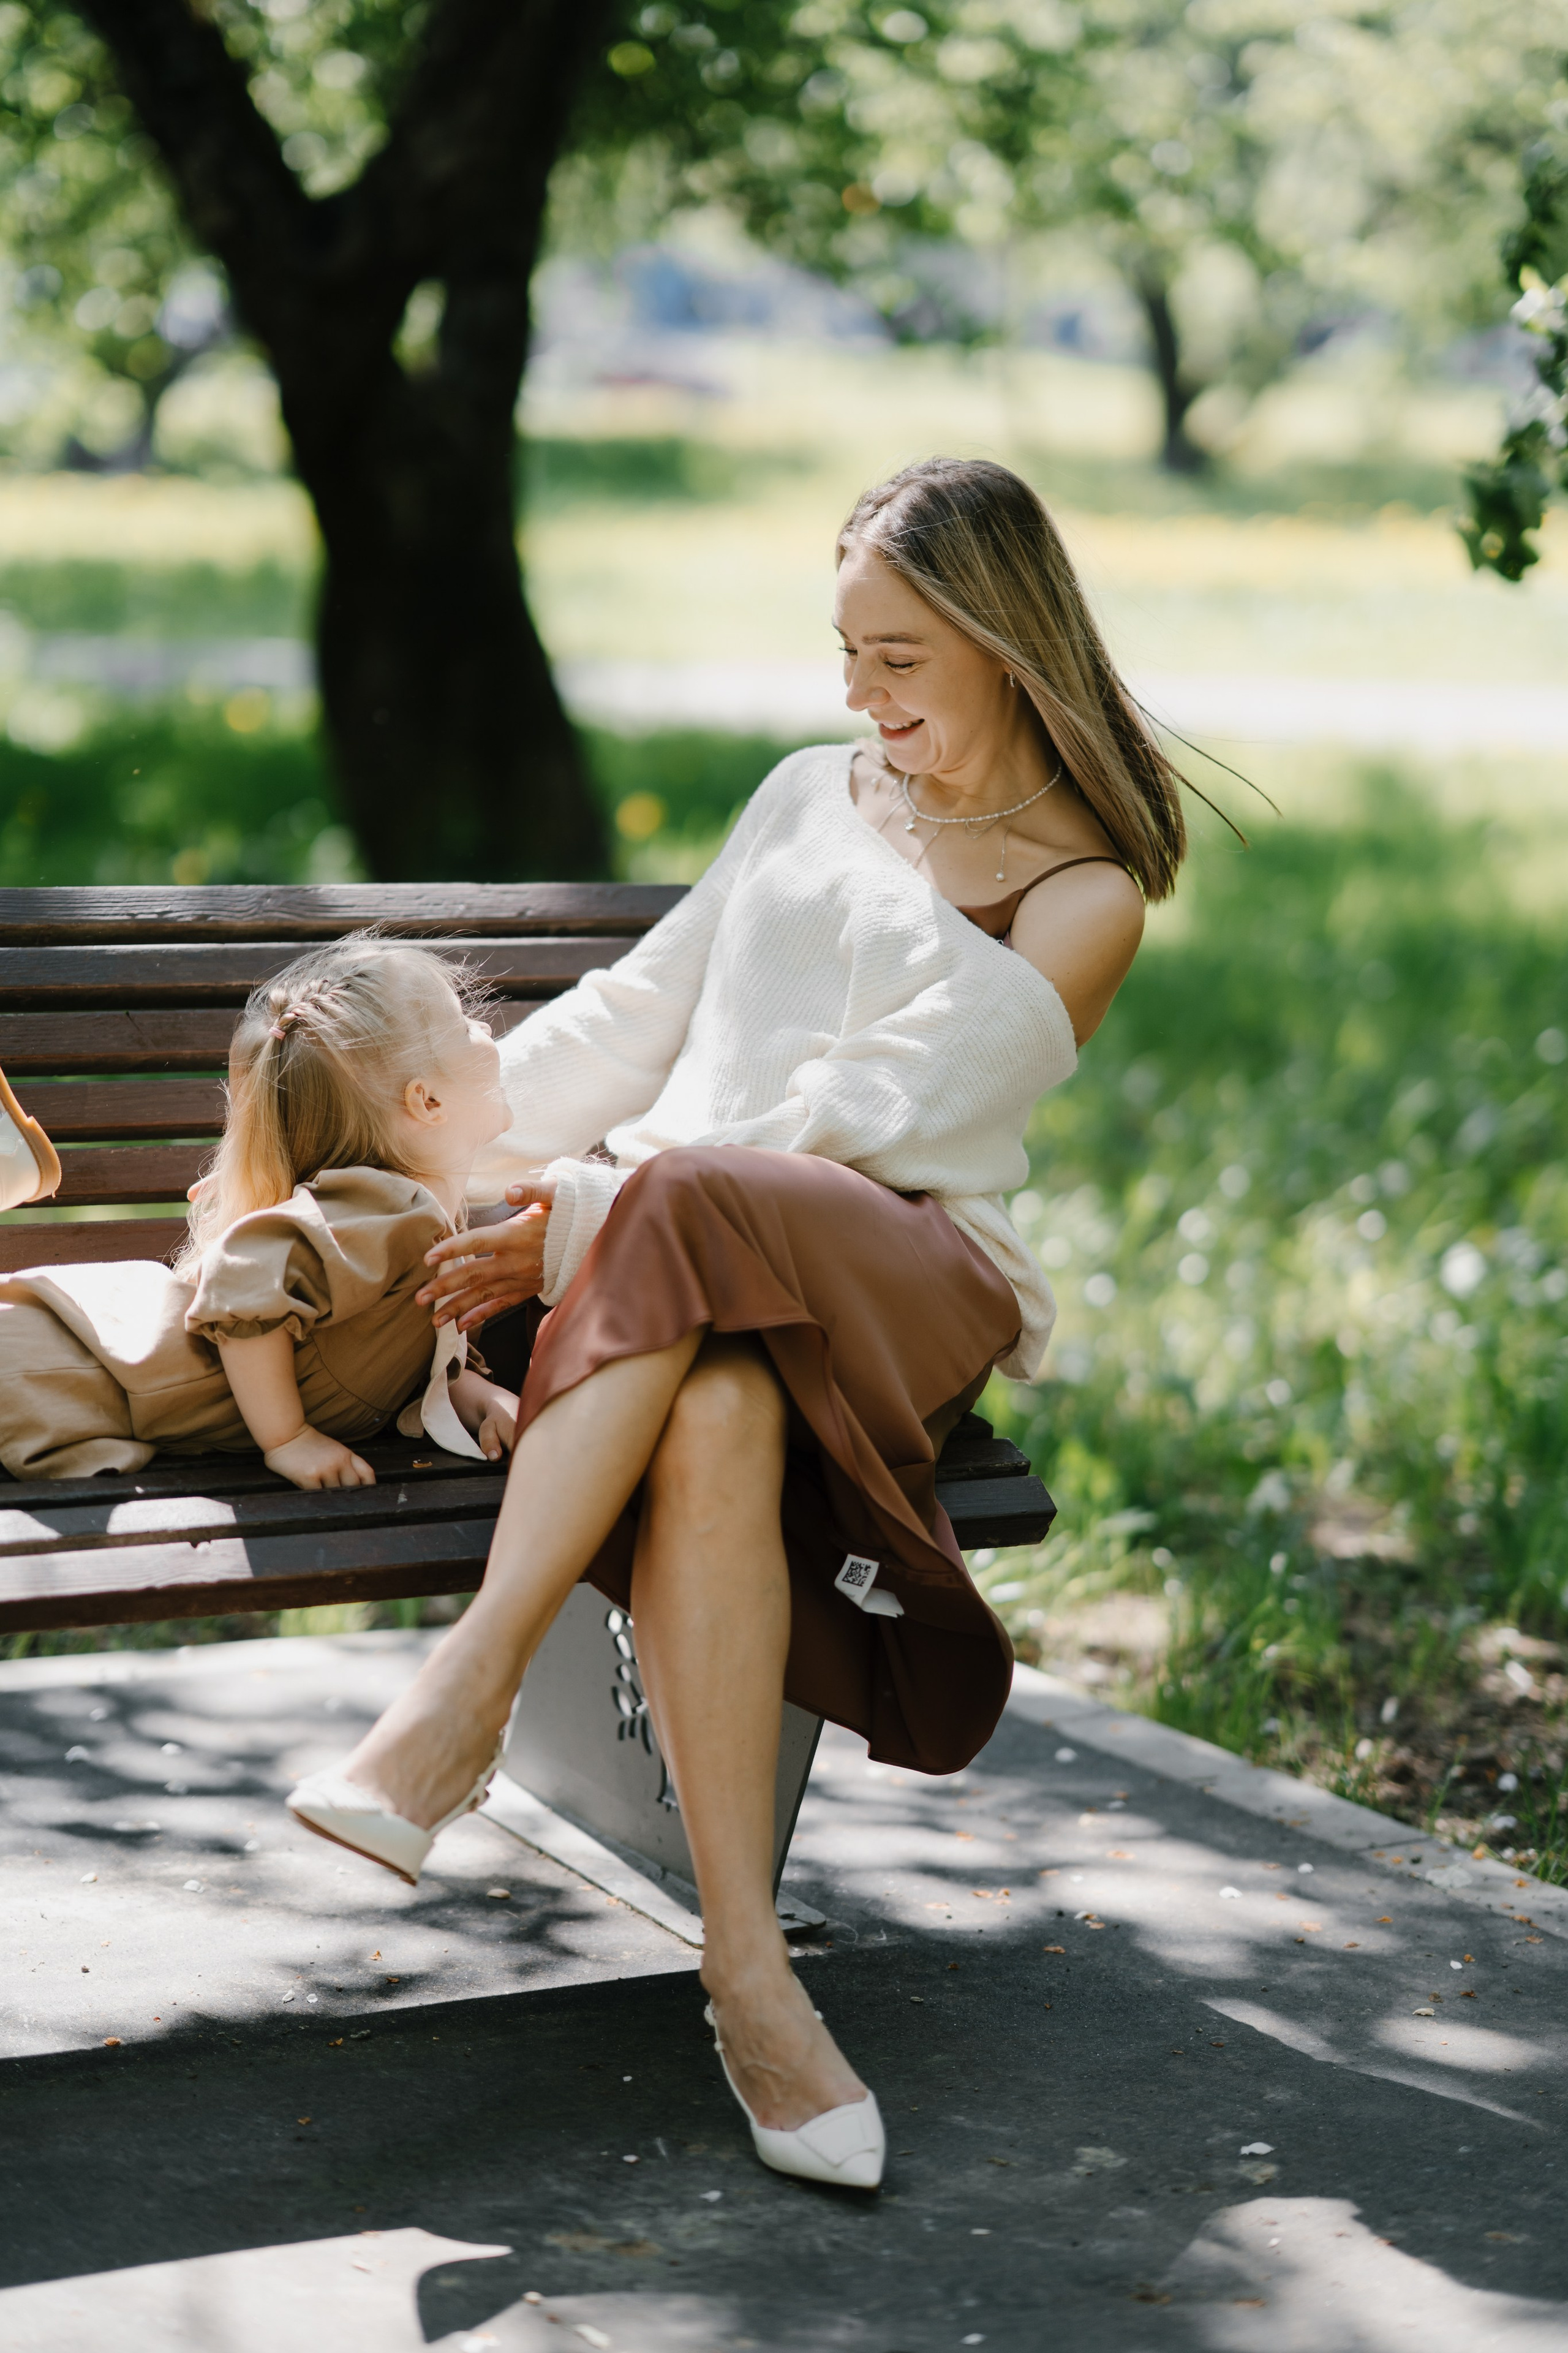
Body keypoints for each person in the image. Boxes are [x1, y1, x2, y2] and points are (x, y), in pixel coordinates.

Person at [288, 457, 1187, 2192]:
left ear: (1006, 642)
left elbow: (879, 1117)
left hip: (898, 1274)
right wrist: (424, 1166)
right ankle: (751, 1984)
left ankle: (463, 1690)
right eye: (847, 652)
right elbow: (641, 1012)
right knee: (712, 1406)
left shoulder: (1084, 891)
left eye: (900, 658)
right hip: (679, 1274)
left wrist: (581, 1214)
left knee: (695, 1199)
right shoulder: (804, 794)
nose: (862, 695)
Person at [0, 937, 521, 1486]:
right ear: (427, 1101)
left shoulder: (403, 1222)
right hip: (58, 1370)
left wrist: (483, 1398)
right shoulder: (397, 1210)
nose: (486, 1029)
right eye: (465, 1025)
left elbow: (410, 1361)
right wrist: (288, 1438)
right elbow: (243, 1277)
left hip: (70, 1375)